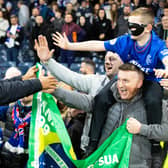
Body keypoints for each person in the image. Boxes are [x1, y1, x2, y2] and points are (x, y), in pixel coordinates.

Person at [52, 7, 168, 161]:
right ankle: (93, 144)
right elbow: (98, 45)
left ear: (148, 28)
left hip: (150, 80)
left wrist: (166, 71)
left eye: (135, 25)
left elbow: (167, 60)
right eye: (129, 24)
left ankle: (154, 146)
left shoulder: (157, 45)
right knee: (101, 98)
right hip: (127, 76)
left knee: (153, 101)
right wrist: (70, 46)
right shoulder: (125, 41)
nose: (131, 29)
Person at [51, 63, 155, 167]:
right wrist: (54, 90)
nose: (107, 61)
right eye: (119, 80)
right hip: (104, 161)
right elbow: (79, 96)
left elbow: (164, 132)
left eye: (126, 80)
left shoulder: (153, 103)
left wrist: (141, 129)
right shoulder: (103, 100)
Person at [35, 35, 123, 152]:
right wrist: (48, 62)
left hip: (116, 150)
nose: (107, 62)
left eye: (112, 59)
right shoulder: (95, 81)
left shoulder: (134, 87)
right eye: (105, 59)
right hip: (90, 150)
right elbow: (71, 77)